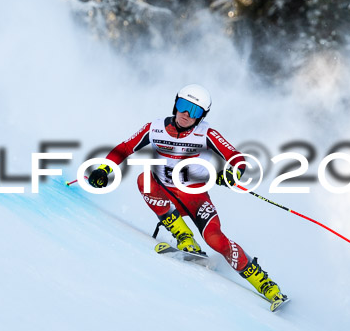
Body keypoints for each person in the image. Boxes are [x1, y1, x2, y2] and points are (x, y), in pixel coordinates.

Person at [87, 84, 286, 306]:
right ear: (175, 104)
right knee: (144, 179)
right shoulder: (154, 128)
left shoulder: (207, 133)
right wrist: (104, 169)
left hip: (195, 196)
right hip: (165, 193)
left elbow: (236, 157)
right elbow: (124, 148)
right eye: (183, 106)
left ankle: (267, 286)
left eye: (195, 111)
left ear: (202, 116)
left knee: (215, 240)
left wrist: (231, 174)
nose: (186, 115)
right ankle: (185, 239)